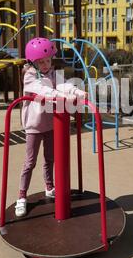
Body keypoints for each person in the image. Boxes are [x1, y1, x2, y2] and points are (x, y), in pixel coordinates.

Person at [15, 38, 87, 218]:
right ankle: (21, 197)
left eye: (48, 60)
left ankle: (49, 187)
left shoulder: (53, 73)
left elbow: (64, 84)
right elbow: (44, 91)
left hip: (50, 123)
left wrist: (76, 92)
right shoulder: (30, 76)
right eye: (42, 62)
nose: (46, 64)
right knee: (30, 162)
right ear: (33, 62)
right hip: (34, 125)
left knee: (50, 158)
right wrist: (62, 97)